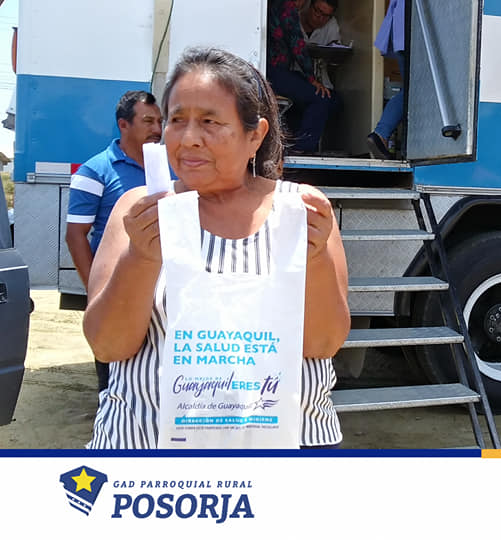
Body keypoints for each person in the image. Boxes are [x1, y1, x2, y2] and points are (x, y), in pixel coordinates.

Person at [84, 47, 350, 449]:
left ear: (255, 135)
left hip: (286, 446)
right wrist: (141, 256)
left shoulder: (302, 212)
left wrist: (314, 259)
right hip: (148, 450)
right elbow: (108, 346)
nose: (189, 139)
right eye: (177, 120)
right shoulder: (137, 212)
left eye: (210, 122)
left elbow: (323, 344)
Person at [65, 90, 162, 393]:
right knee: (114, 379)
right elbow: (75, 235)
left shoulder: (168, 167)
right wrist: (97, 291)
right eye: (148, 121)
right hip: (118, 291)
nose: (157, 129)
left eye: (159, 121)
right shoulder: (95, 171)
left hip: (161, 293)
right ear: (123, 125)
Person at [267, 0, 337, 154]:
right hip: (275, 73)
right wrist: (312, 79)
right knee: (321, 98)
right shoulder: (287, 8)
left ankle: (294, 145)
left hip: (268, 71)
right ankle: (301, 150)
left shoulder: (274, 5)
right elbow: (297, 46)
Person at [366, 0, 404, 159]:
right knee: (416, 92)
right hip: (415, 30)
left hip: (402, 29)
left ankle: (381, 134)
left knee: (411, 90)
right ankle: (381, 134)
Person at [301, 0, 341, 95]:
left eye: (326, 16)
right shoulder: (294, 19)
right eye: (318, 11)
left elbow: (335, 54)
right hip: (296, 80)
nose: (320, 18)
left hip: (322, 84)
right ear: (310, 6)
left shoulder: (331, 24)